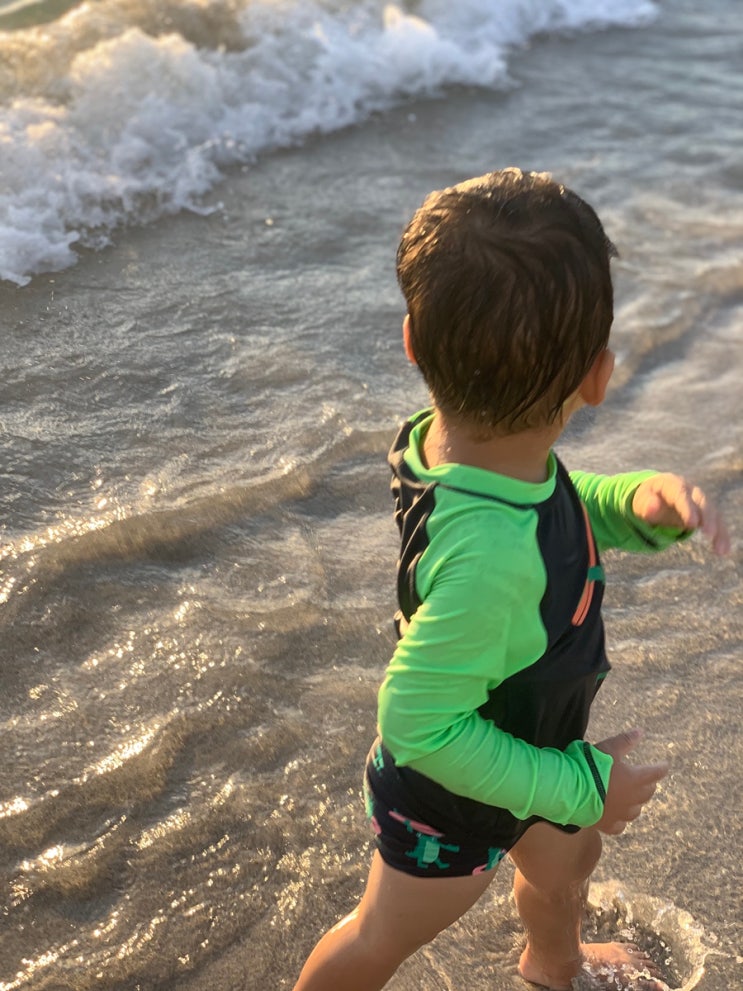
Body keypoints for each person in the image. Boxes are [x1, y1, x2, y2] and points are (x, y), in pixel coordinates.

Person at [292, 168, 730, 991]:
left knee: (568, 860)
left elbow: (548, 505)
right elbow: (417, 722)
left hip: (528, 744)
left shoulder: (455, 449)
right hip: (448, 802)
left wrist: (630, 503)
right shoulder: (491, 560)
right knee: (377, 937)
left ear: (413, 343)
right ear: (597, 378)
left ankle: (551, 962)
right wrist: (581, 784)